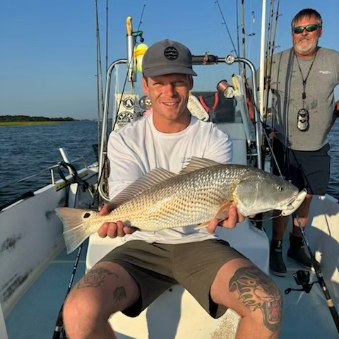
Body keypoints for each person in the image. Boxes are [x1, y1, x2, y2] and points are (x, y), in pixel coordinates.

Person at [63, 39, 282, 338]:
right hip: (142, 244)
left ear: (190, 83)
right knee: (78, 309)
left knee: (267, 304)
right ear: (146, 86)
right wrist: (114, 219)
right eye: (159, 83)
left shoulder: (213, 138)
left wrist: (226, 214)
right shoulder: (124, 139)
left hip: (199, 243)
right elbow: (126, 199)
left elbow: (216, 209)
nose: (169, 92)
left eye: (178, 82)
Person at [268, 8, 339, 276]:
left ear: (320, 30)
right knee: (284, 199)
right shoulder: (276, 62)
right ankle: (276, 246)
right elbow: (248, 87)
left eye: (310, 28)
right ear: (292, 33)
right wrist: (258, 121)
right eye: (298, 29)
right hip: (285, 144)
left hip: (317, 146)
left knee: (306, 197)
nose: (304, 34)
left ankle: (295, 245)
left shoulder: (333, 60)